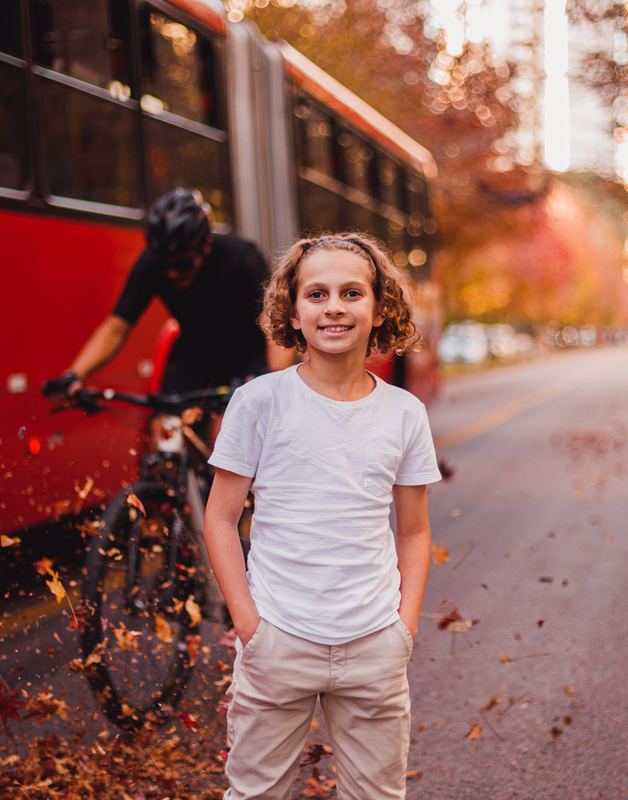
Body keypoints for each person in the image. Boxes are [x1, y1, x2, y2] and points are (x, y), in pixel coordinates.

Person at [202, 232, 441, 800]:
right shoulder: (258, 402)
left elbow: (413, 530)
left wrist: (403, 627)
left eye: (351, 293)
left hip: (375, 643)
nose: (334, 306)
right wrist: (248, 624)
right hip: (277, 639)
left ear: (379, 308)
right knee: (255, 794)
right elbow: (220, 519)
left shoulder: (405, 413)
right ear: (293, 311)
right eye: (317, 294)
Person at [44, 188, 285, 401]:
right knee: (163, 425)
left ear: (206, 246)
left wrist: (275, 377)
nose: (171, 273)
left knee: (226, 428)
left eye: (182, 264)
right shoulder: (150, 264)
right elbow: (117, 326)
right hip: (196, 362)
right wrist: (75, 374)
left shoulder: (242, 257)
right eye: (163, 265)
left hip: (249, 359)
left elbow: (275, 320)